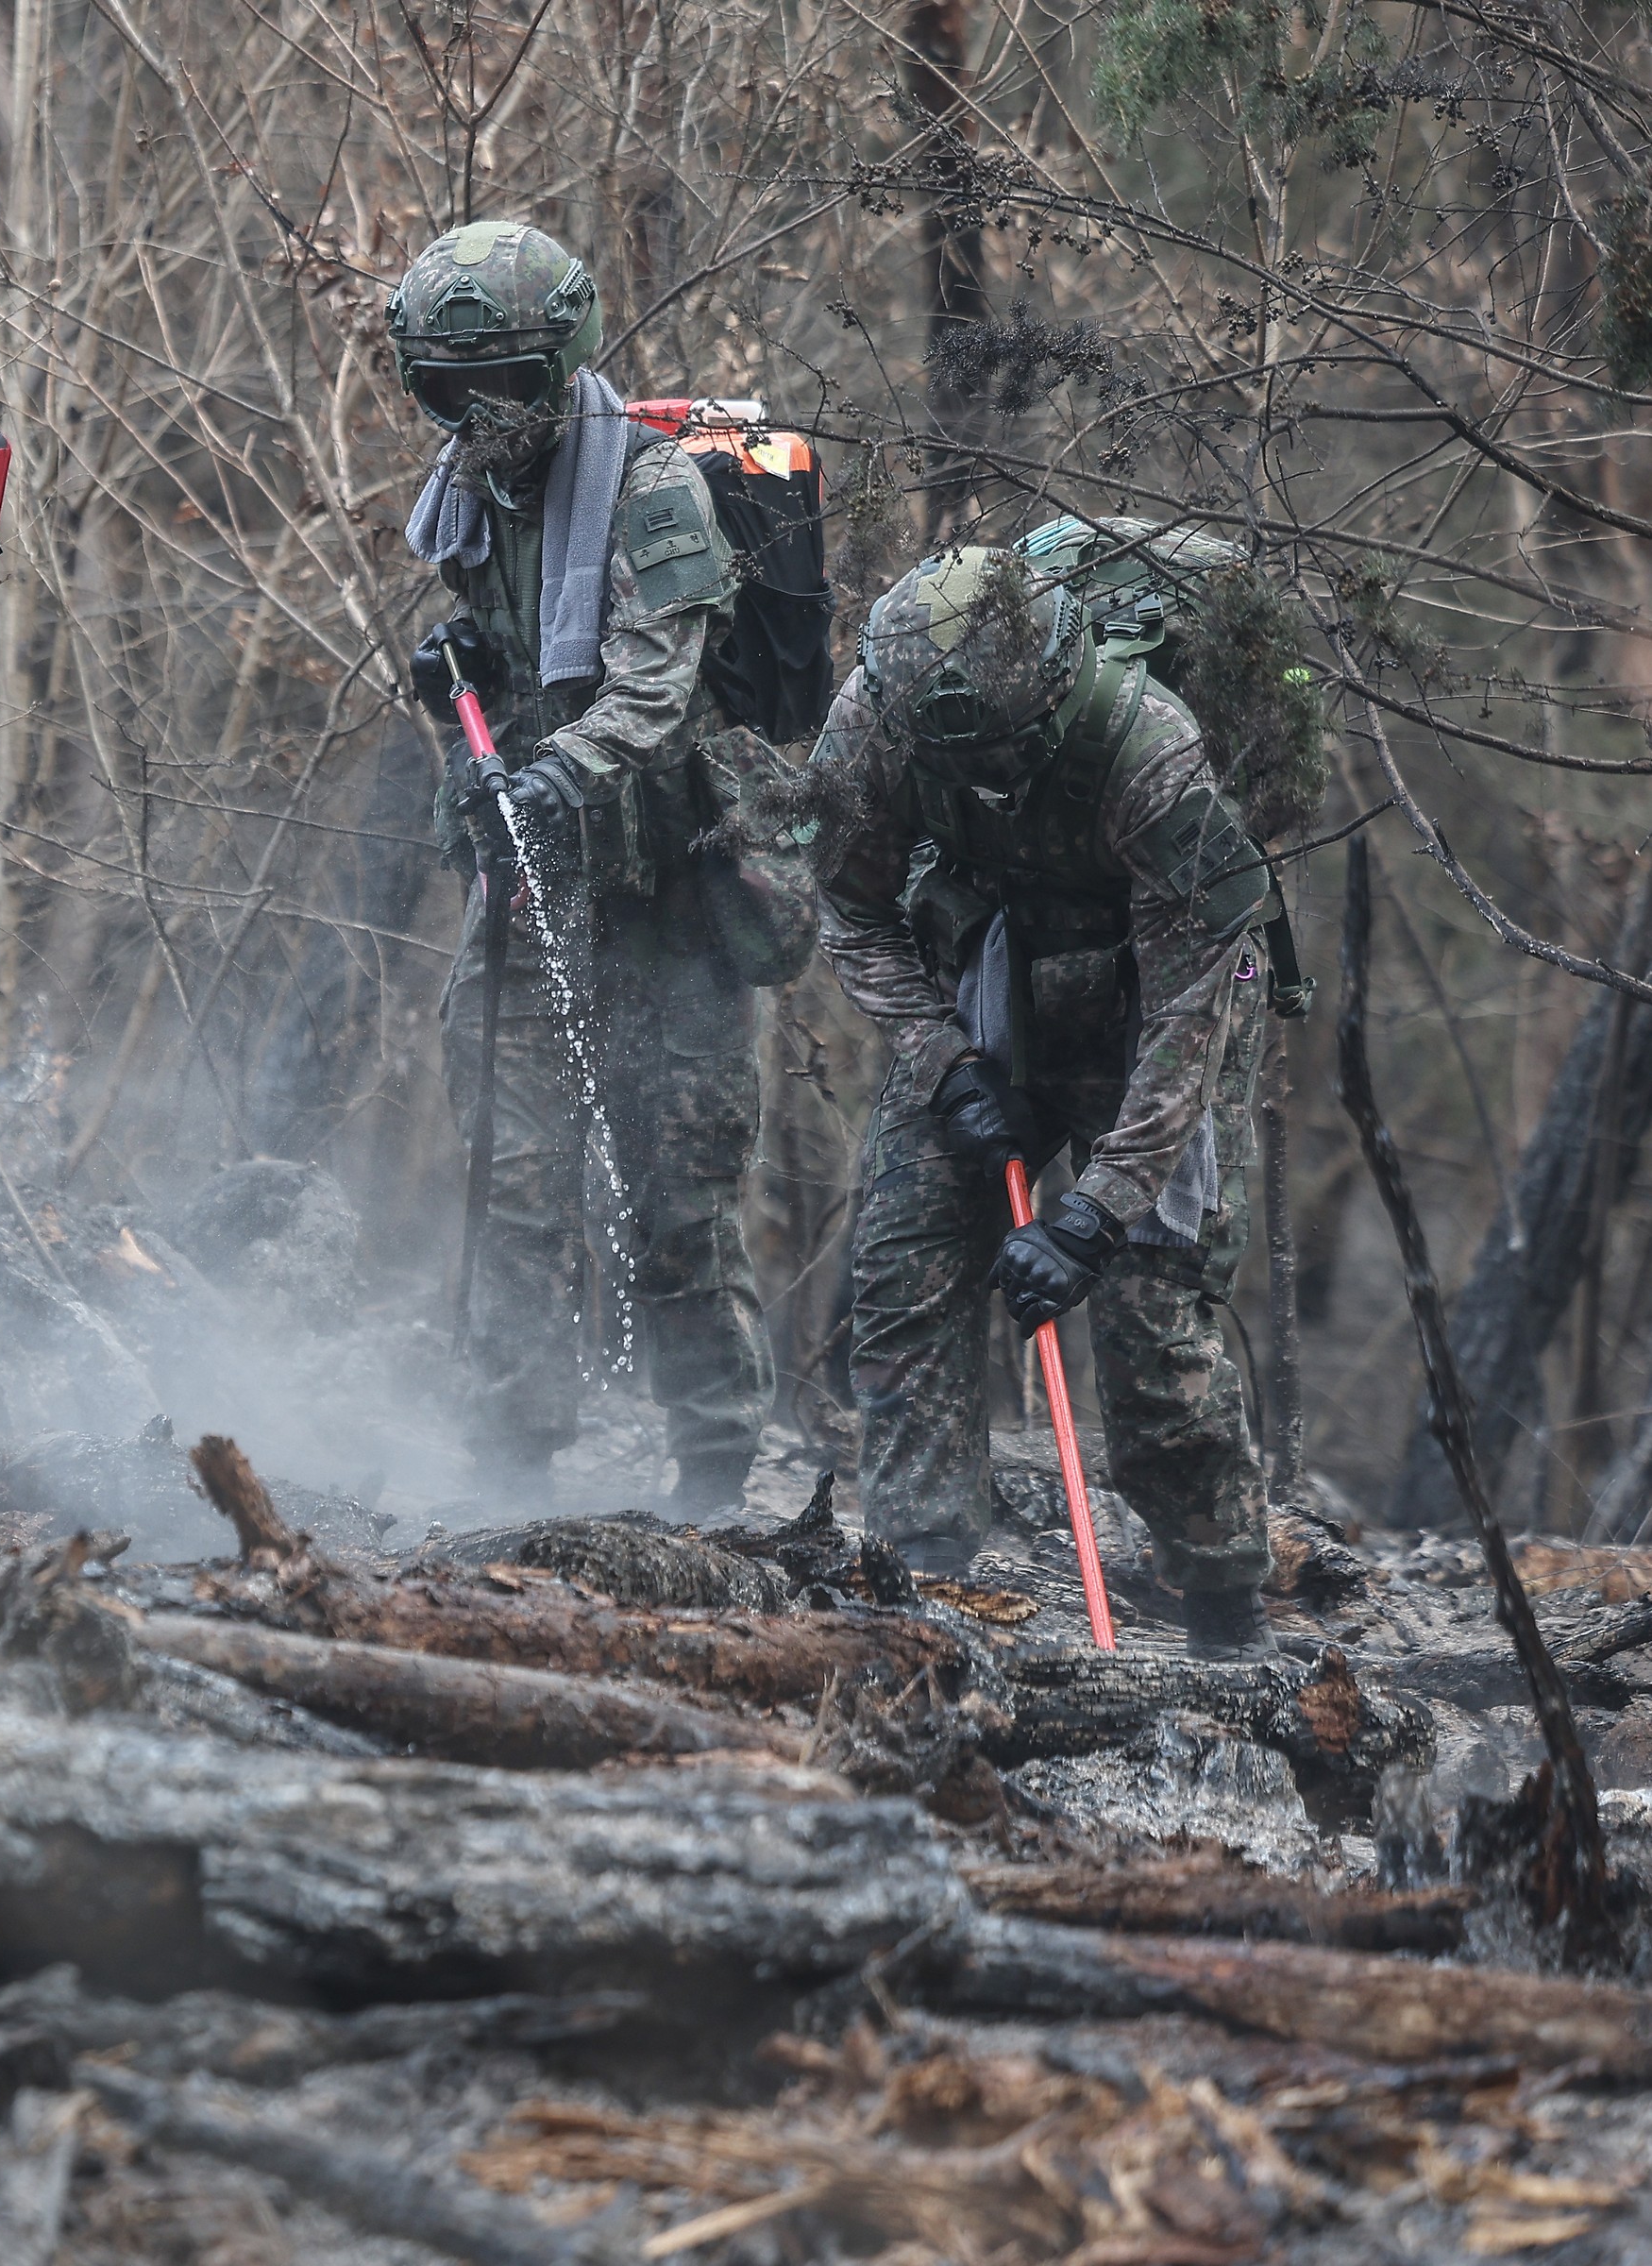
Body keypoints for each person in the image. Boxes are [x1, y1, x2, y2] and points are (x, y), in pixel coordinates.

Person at [393, 221, 810, 1510]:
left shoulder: (652, 489)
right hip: (536, 886)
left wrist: (556, 774)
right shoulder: (468, 491)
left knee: (676, 1201)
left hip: (673, 893)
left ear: (555, 362)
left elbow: (648, 690)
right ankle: (508, 1458)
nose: (482, 412)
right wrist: (450, 669)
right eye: (453, 390)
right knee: (511, 1179)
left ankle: (710, 1468)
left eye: (505, 382)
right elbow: (507, 654)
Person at [812, 546, 1277, 1652]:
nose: (988, 768)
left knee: (1153, 1327)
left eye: (1008, 747)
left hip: (1154, 1011)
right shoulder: (876, 722)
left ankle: (1224, 1609)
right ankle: (923, 1591)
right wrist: (947, 1065)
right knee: (903, 1277)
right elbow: (849, 907)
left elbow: (1190, 1012)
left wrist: (1097, 1210)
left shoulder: (1148, 747)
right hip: (983, 997)